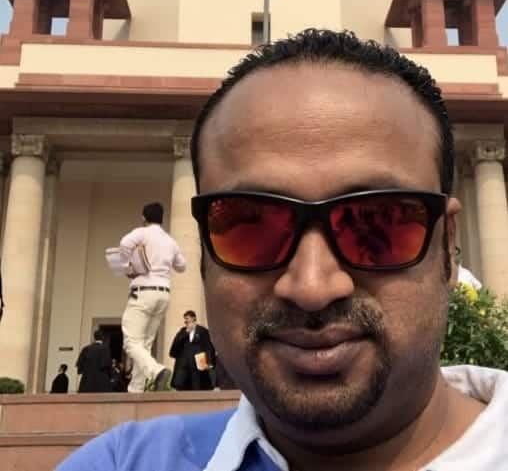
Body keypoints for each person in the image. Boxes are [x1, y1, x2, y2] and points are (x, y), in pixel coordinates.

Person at [56, 29, 508, 470]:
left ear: (448, 247)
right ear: (204, 255)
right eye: (250, 227)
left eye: (376, 222)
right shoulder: (124, 462)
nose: (312, 287)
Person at [120, 202, 187, 392]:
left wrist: (128, 266)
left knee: (131, 342)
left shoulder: (143, 233)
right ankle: (136, 388)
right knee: (145, 343)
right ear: (162, 218)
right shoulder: (170, 241)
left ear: (144, 217)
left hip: (143, 291)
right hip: (163, 292)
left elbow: (124, 243)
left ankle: (157, 371)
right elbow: (182, 266)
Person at [169, 310, 216, 390]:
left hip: (197, 366)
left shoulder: (202, 331)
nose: (186, 321)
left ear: (193, 318)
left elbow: (208, 347)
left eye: (187, 319)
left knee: (197, 387)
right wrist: (186, 333)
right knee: (182, 388)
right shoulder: (182, 331)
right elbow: (175, 344)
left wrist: (209, 362)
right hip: (184, 367)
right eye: (185, 320)